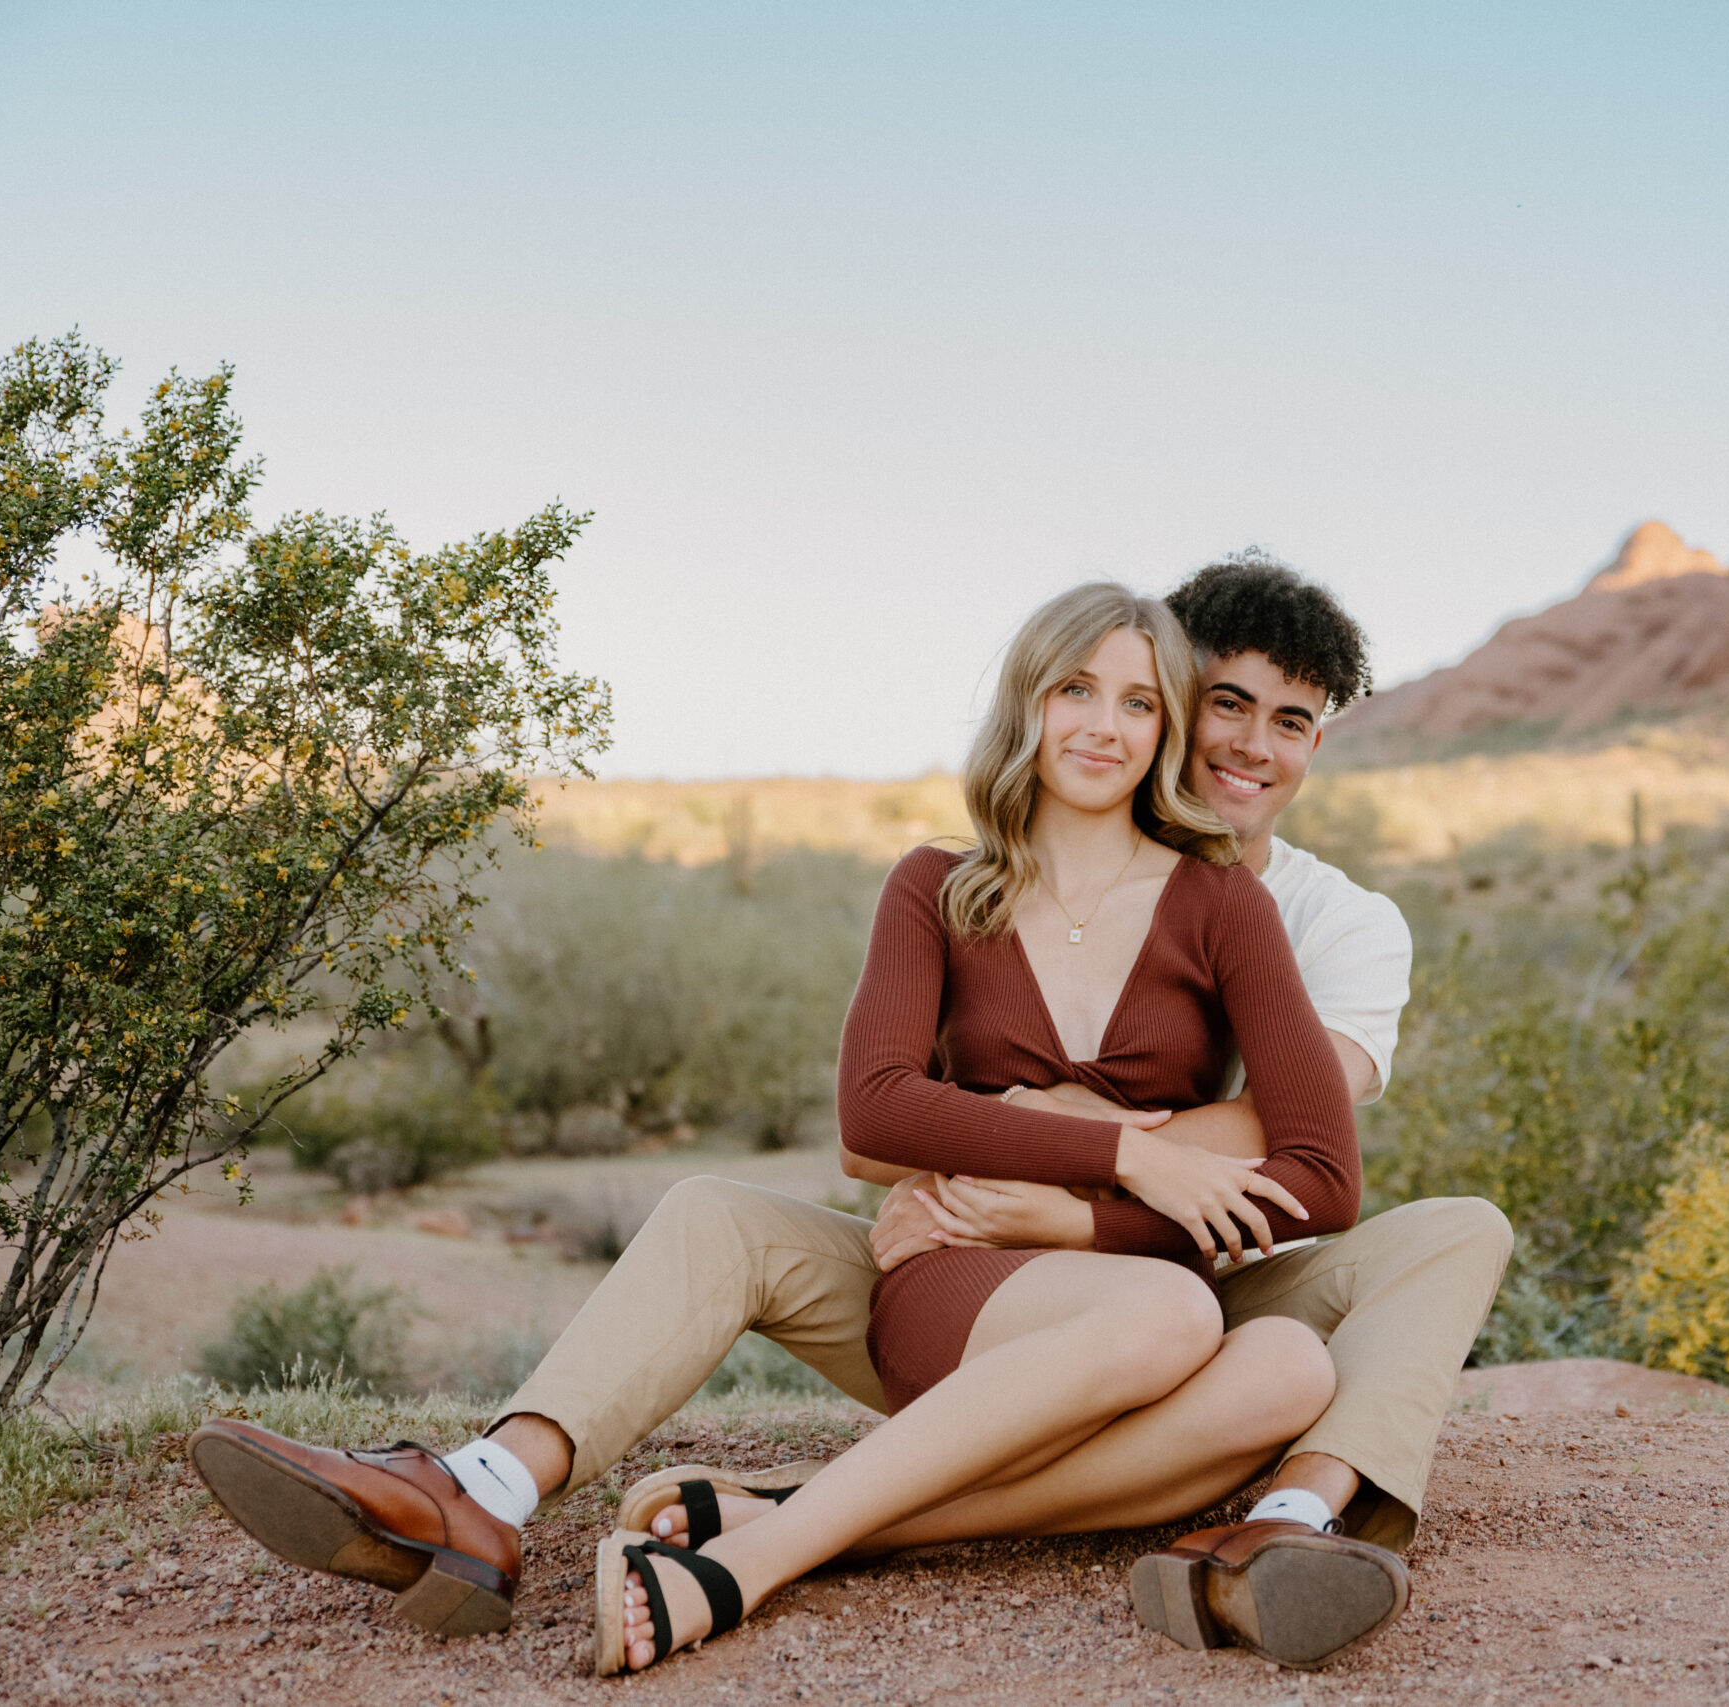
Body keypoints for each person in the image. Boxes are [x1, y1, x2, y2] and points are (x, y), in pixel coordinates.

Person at [187, 557, 1512, 1673]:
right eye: (1219, 702)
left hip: (1181, 1270)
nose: (1245, 744)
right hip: (966, 1273)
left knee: (1343, 1314)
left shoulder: (1296, 917)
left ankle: (1264, 1514)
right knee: (717, 1209)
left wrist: (1064, 1178)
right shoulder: (947, 882)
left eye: (1288, 721)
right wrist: (1082, 1151)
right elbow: (876, 1122)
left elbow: (1300, 1154)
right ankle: (481, 1488)